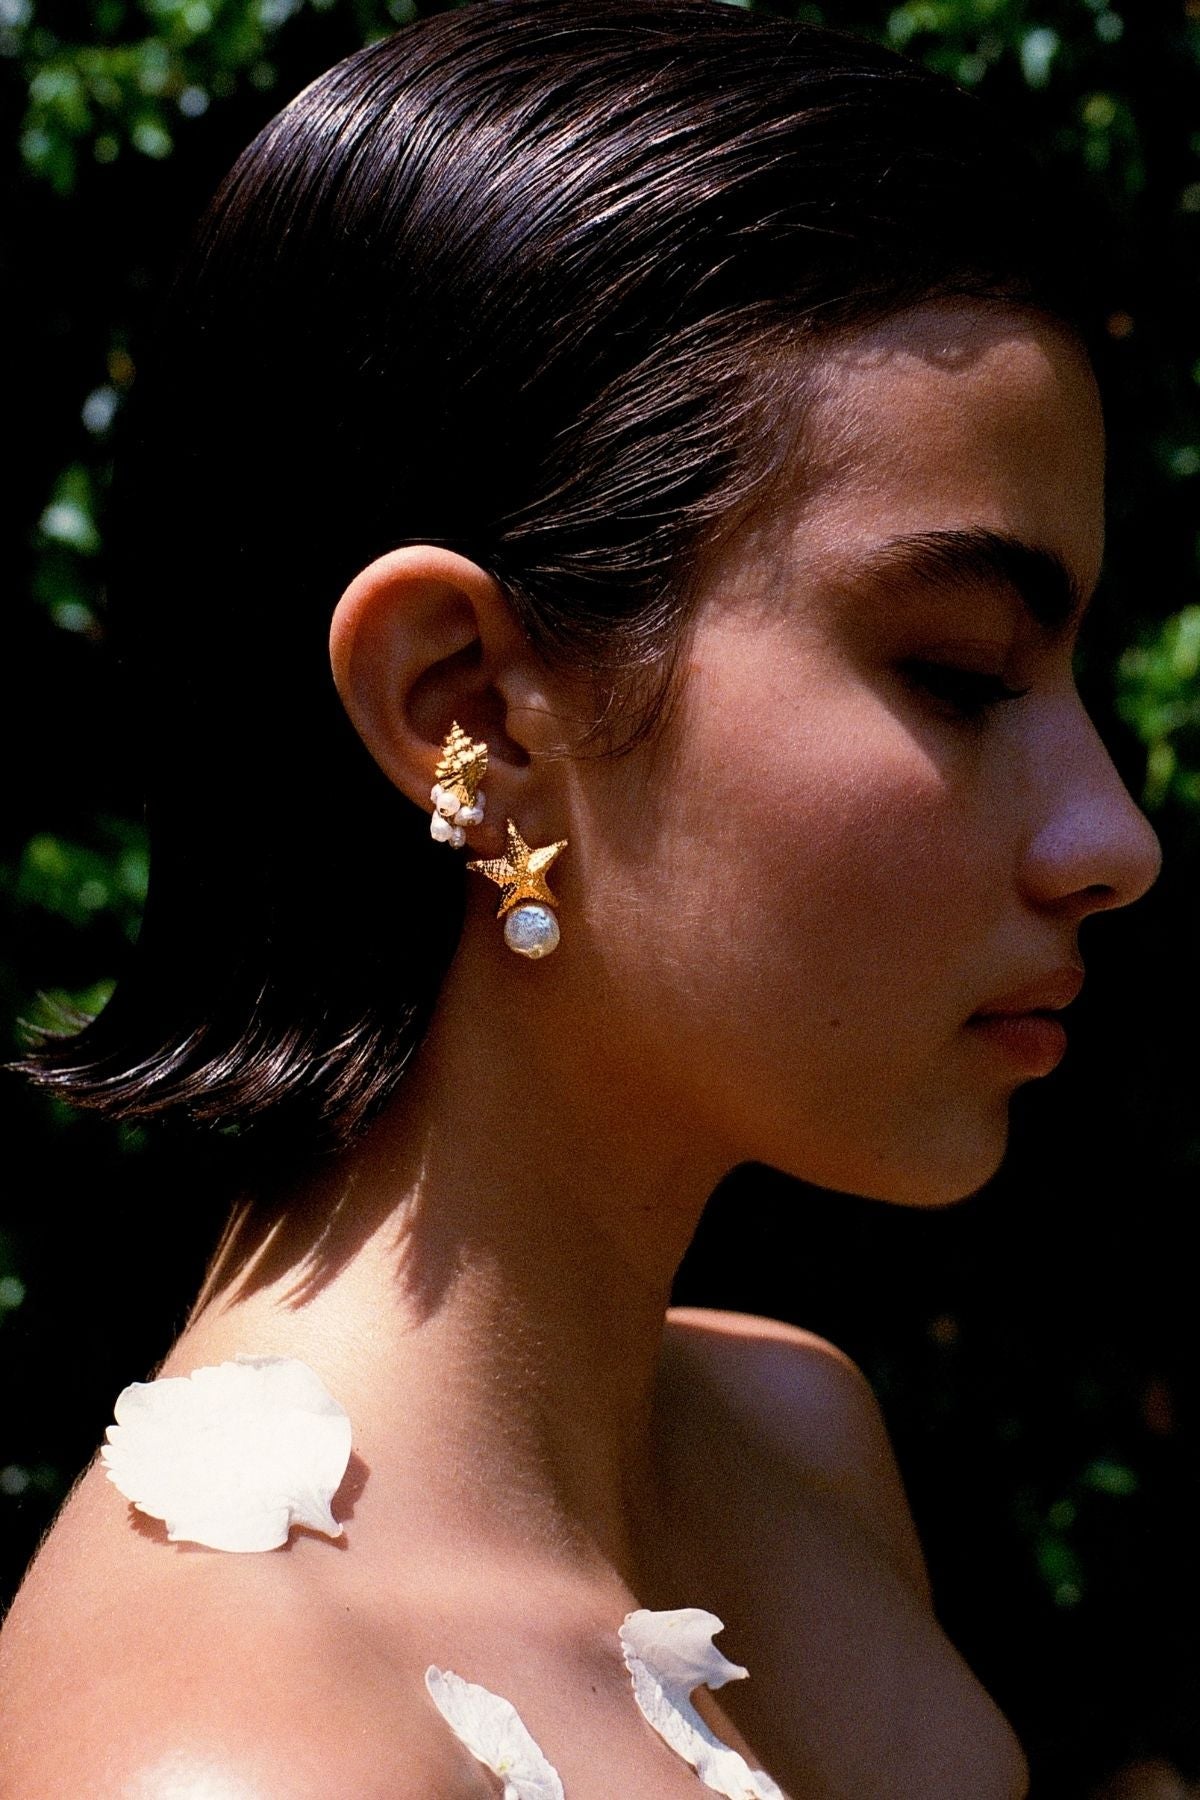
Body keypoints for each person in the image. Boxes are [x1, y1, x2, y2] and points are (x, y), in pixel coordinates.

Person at [0, 1, 1163, 1794]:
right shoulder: (230, 1747)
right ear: (467, 709)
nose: (1112, 835)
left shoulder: (795, 1435)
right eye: (957, 669)